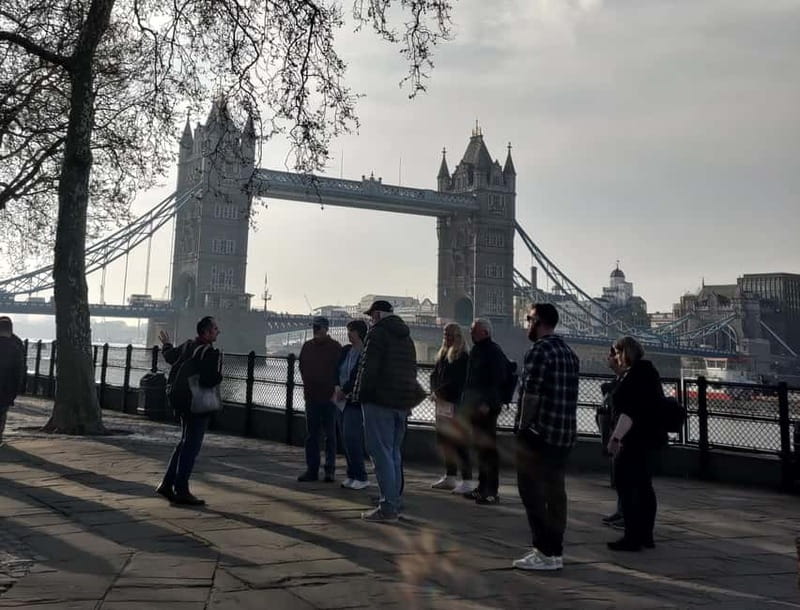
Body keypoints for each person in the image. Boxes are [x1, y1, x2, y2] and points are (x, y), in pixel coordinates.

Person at [513, 303, 579, 571]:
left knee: (530, 491)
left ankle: (543, 551)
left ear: (538, 321)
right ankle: (555, 551)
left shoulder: (538, 351)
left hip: (539, 434)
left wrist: (521, 427)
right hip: (564, 434)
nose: (526, 324)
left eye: (528, 319)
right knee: (556, 493)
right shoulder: (569, 353)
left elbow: (531, 395)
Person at [354, 300, 425, 522]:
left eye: (370, 316)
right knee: (393, 453)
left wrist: (360, 395)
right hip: (401, 403)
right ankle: (394, 501)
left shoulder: (377, 334)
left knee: (380, 452)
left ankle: (388, 508)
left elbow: (368, 368)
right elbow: (411, 371)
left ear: (376, 315)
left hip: (378, 401)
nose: (369, 319)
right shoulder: (407, 337)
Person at [606, 336, 664, 552]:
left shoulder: (634, 377)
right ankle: (646, 535)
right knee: (645, 488)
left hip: (634, 441)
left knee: (628, 487)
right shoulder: (648, 372)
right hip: (652, 439)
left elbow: (629, 413)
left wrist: (615, 439)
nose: (614, 356)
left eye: (616, 352)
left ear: (624, 353)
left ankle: (631, 537)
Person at [157, 316, 223, 505]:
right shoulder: (209, 352)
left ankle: (167, 484)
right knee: (191, 446)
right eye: (215, 329)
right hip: (197, 405)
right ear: (207, 332)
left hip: (181, 401)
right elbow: (209, 380)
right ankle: (181, 489)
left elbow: (170, 357)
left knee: (183, 443)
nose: (218, 331)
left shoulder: (188, 345)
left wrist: (167, 344)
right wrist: (219, 374)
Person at [461, 318, 507, 505]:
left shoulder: (493, 351)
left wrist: (488, 402)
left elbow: (498, 380)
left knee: (488, 450)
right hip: (475, 406)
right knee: (480, 449)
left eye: (474, 330)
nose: (471, 333)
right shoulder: (477, 350)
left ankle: (491, 491)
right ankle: (482, 487)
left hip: (486, 408)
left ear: (485, 332)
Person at [297, 316, 342, 483]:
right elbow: (301, 366)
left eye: (318, 327)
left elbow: (340, 371)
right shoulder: (307, 347)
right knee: (312, 435)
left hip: (329, 398)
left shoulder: (336, 347)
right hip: (311, 397)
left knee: (330, 435)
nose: (315, 330)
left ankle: (329, 470)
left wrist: (335, 390)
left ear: (326, 328)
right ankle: (312, 469)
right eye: (314, 327)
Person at [429, 323, 472, 494]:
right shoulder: (442, 354)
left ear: (458, 336)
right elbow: (434, 375)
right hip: (443, 405)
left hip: (456, 405)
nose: (446, 338)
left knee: (460, 443)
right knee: (445, 442)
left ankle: (467, 480)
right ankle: (450, 476)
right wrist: (434, 391)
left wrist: (439, 392)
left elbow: (458, 382)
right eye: (445, 334)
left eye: (450, 335)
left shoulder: (463, 357)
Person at [335, 319, 369, 490]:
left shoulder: (365, 353)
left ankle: (361, 476)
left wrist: (345, 390)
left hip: (354, 400)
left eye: (352, 330)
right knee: (345, 438)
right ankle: (351, 474)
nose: (348, 333)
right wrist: (336, 387)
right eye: (348, 330)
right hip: (340, 400)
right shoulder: (346, 350)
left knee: (352, 437)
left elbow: (358, 375)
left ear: (359, 333)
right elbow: (337, 370)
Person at [596, 346, 625, 530]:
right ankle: (621, 511)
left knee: (629, 479)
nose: (607, 357)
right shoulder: (620, 378)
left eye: (611, 354)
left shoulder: (630, 378)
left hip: (625, 436)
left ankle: (627, 516)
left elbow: (627, 410)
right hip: (616, 431)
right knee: (622, 478)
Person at [0, 316, 25, 446]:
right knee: (2, 412)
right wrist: (17, 387)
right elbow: (19, 369)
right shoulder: (17, 344)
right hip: (8, 386)